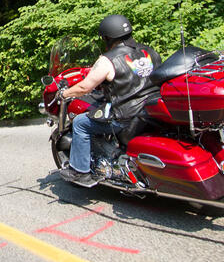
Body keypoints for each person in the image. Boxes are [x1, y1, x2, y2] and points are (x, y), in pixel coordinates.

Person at [58, 14, 162, 187]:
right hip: (151, 109)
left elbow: (85, 88)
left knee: (81, 123)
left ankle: (80, 171)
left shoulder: (108, 60)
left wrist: (65, 93)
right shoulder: (149, 51)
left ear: (106, 37)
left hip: (126, 116)